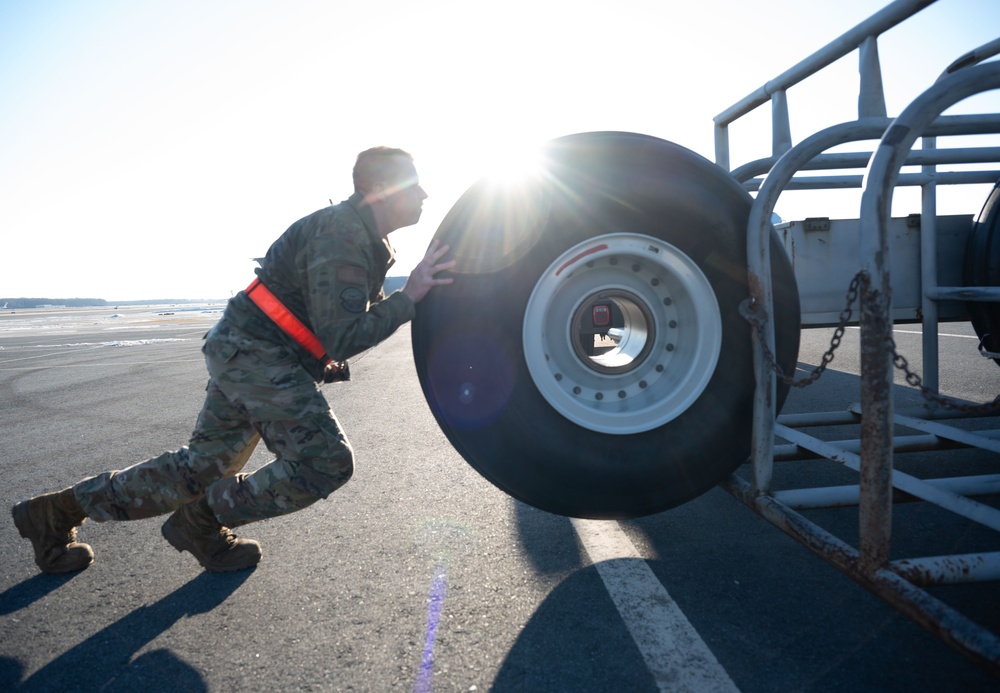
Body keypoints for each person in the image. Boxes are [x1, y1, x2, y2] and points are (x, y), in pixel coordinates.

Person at [13, 146, 455, 574]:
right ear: (381, 186)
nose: (424, 195)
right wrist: (409, 297)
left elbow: (324, 322)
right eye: (414, 185)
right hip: (255, 353)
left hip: (247, 349)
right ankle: (199, 521)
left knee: (199, 469)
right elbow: (342, 335)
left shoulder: (358, 235)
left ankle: (54, 513)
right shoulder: (341, 234)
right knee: (325, 462)